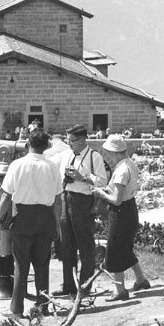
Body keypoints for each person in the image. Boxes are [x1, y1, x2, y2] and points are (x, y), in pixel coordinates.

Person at [0, 130, 63, 318]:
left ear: (28, 144)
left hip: (24, 216)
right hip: (45, 216)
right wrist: (56, 224)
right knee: (42, 264)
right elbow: (58, 199)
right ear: (46, 146)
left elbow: (6, 195)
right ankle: (43, 307)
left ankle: (16, 308)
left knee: (21, 265)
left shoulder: (17, 164)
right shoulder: (52, 166)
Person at [54, 124, 109, 297]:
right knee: (66, 245)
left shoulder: (94, 157)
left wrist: (82, 177)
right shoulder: (66, 155)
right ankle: (68, 286)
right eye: (68, 141)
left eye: (72, 141)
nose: (69, 144)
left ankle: (85, 286)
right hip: (66, 197)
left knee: (85, 245)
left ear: (83, 139)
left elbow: (102, 181)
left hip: (83, 201)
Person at [93, 134, 149, 301]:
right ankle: (140, 279)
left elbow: (116, 201)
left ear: (112, 151)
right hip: (130, 208)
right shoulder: (130, 164)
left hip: (120, 213)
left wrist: (101, 193)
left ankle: (120, 290)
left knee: (115, 249)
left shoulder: (121, 171)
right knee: (125, 247)